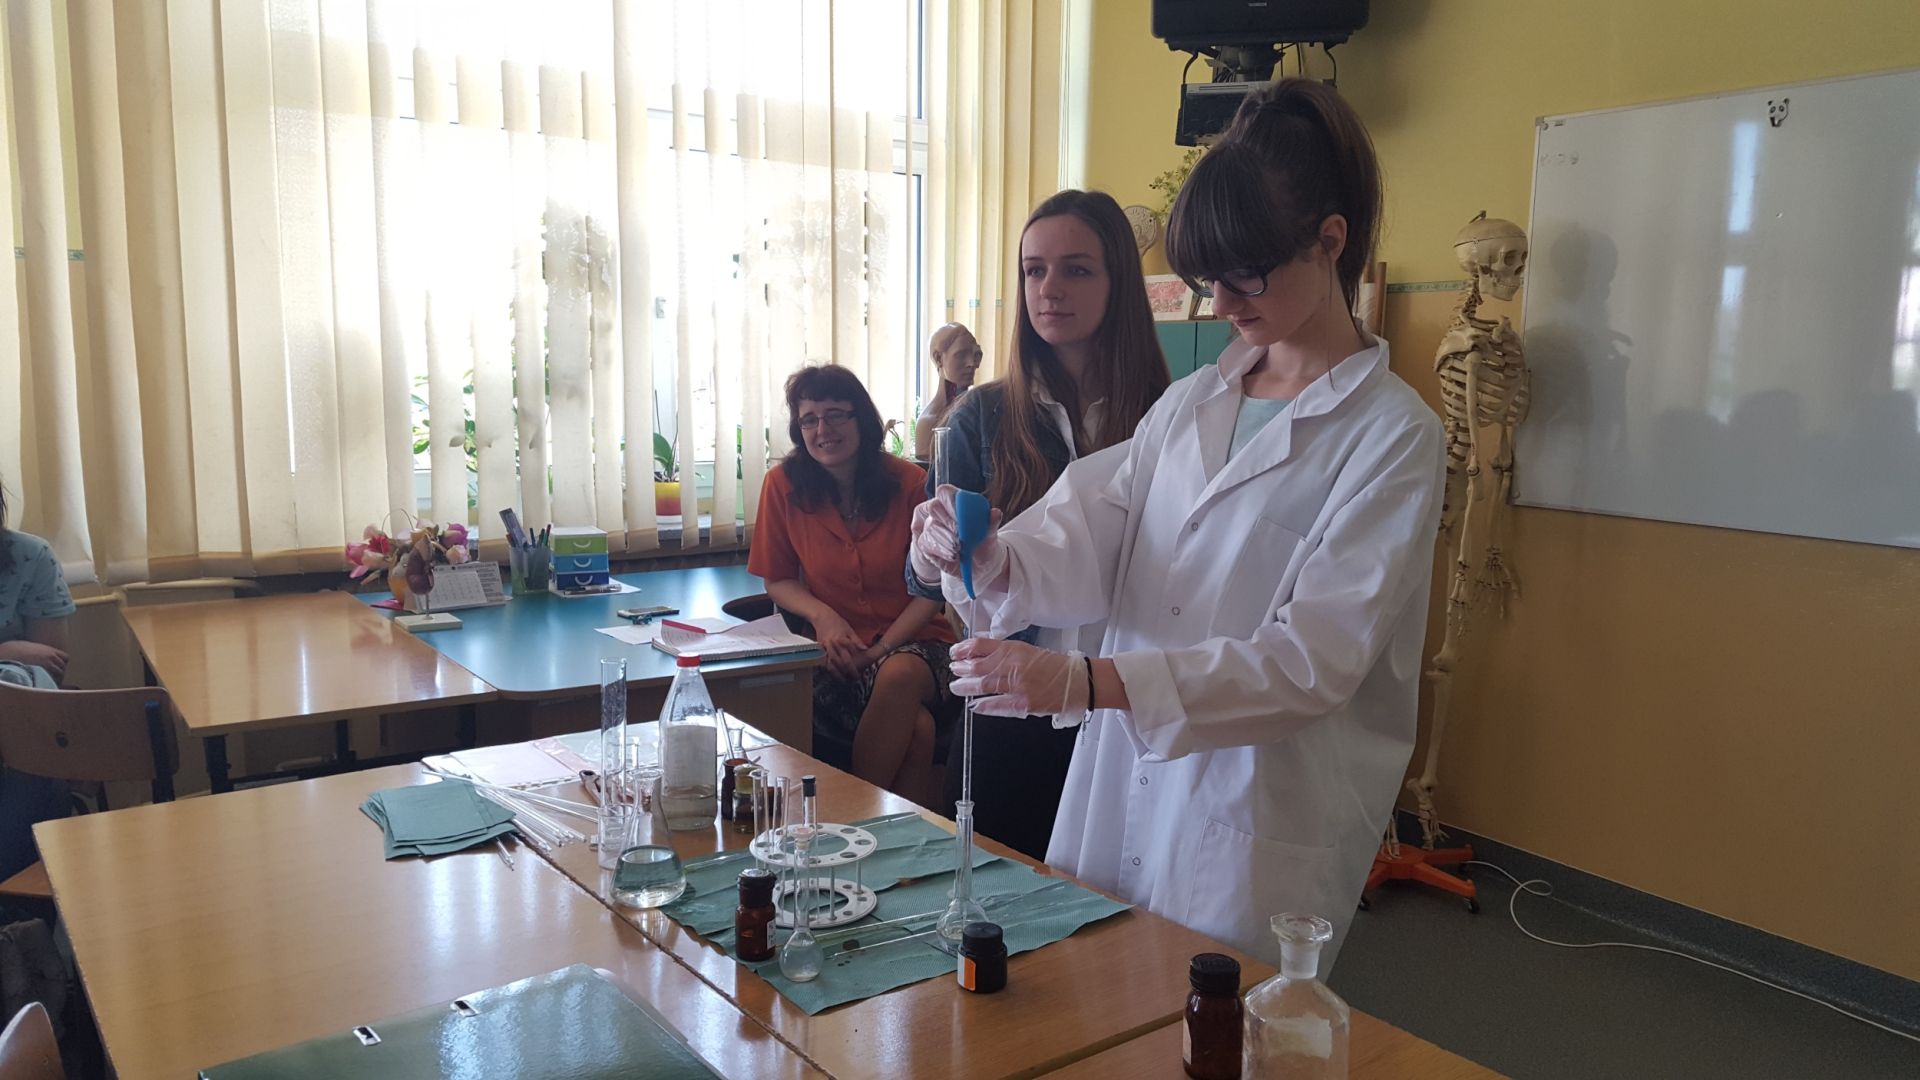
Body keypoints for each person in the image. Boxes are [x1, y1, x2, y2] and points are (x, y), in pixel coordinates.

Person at [910, 79, 1444, 970]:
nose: (1222, 303)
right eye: (1207, 280)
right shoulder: (1194, 402)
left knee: (1210, 1018)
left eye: (1245, 275)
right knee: (1086, 989)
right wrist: (995, 557)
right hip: (1120, 777)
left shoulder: (1392, 436)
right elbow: (1097, 526)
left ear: (1330, 240)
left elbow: (1311, 661)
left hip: (1255, 808)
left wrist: (1088, 681)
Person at [910, 188, 1168, 860]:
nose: (1049, 289)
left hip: (1124, 698)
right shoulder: (981, 416)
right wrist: (930, 548)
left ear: (1118, 282)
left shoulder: (1169, 416)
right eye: (1034, 270)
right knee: (997, 889)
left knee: (1118, 897)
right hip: (1009, 697)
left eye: (1076, 269)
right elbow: (924, 580)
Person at [749, 365, 959, 806]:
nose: (822, 430)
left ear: (861, 419)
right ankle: (898, 841)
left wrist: (879, 651)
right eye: (809, 419)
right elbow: (778, 579)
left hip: (918, 644)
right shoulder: (782, 485)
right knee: (917, 731)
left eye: (835, 415)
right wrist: (823, 617)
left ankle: (846, 816)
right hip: (835, 652)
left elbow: (932, 590)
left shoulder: (911, 484)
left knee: (899, 674)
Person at [0, 477, 78, 881]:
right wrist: (7, 649)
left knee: (28, 720)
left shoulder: (30, 556)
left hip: (21, 731)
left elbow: (48, 666)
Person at [912, 323, 984, 461]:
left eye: (976, 355)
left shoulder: (979, 415)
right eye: (961, 355)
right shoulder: (930, 422)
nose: (971, 363)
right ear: (939, 358)